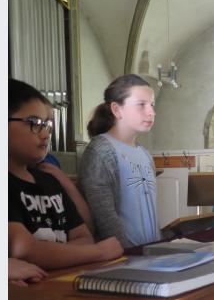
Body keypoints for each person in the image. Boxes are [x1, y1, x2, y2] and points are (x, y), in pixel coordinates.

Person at [9, 79, 123, 270]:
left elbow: (84, 237)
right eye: (34, 123)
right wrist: (99, 252)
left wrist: (48, 254)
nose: (45, 134)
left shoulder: (49, 181)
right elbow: (24, 249)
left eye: (47, 124)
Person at [78, 74, 161, 248]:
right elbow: (104, 216)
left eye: (152, 105)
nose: (151, 112)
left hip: (149, 254)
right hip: (124, 255)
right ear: (117, 110)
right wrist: (127, 253)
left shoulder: (144, 154)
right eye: (141, 105)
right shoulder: (101, 151)